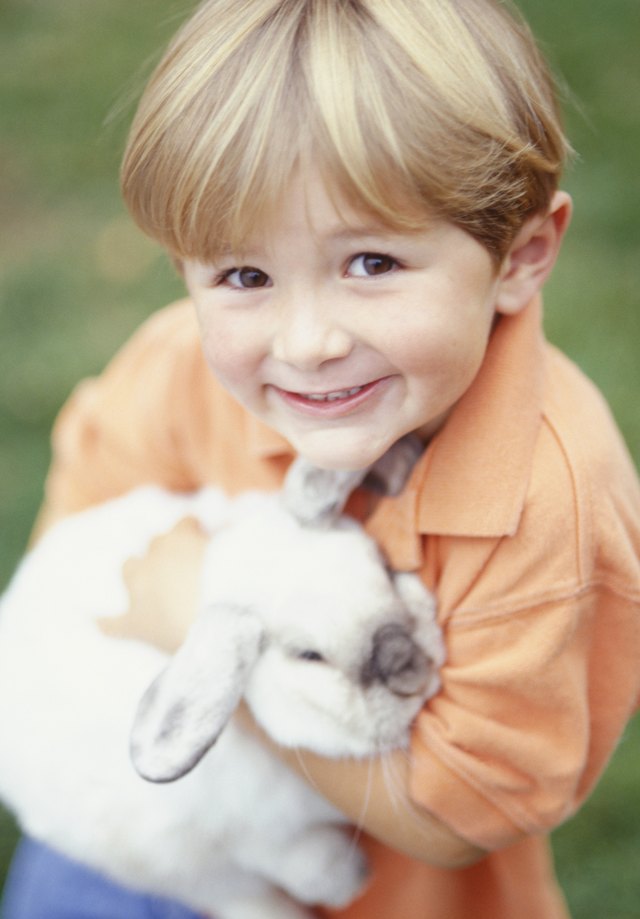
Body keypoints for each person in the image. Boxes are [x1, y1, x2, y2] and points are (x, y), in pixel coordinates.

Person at [3, 0, 640, 917]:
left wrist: (212, 639)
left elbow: (460, 808)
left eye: (372, 263)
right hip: (137, 837)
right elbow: (83, 534)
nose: (306, 343)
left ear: (520, 254)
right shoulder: (178, 367)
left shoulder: (547, 503)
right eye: (245, 276)